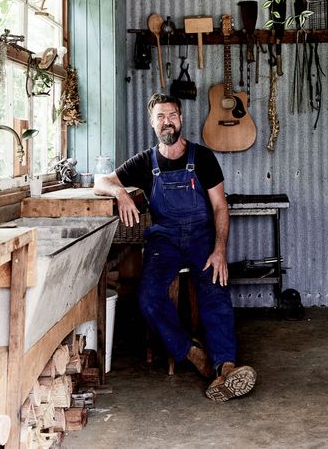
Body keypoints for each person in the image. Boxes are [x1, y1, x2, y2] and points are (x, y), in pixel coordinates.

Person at [94, 92, 256, 402]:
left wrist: (219, 249)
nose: (166, 121)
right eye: (160, 117)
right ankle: (193, 353)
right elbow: (100, 181)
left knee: (214, 289)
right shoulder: (145, 161)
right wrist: (121, 193)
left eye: (172, 116)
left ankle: (226, 365)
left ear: (180, 120)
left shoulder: (203, 157)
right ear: (152, 122)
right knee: (148, 297)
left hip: (201, 237)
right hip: (164, 240)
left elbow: (221, 208)